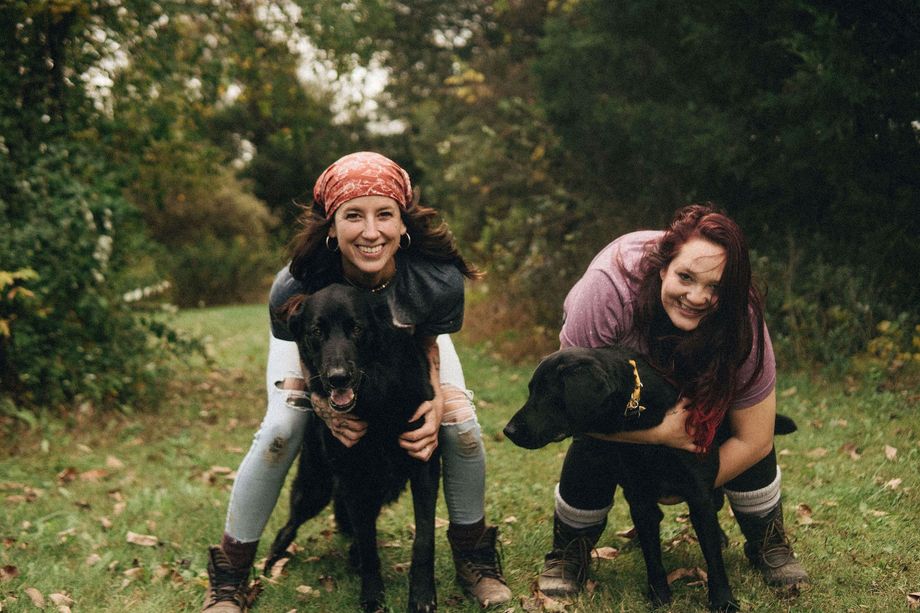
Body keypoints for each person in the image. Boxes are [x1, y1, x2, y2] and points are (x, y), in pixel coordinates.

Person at [202, 152, 512, 611]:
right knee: (281, 429)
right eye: (353, 216)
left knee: (460, 425)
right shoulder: (294, 284)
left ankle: (474, 557)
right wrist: (323, 405)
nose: (371, 232)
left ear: (403, 224)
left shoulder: (436, 280)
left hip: (409, 345)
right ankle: (230, 575)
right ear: (331, 227)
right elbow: (305, 351)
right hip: (316, 343)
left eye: (384, 214)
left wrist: (438, 403)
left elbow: (428, 346)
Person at [536, 203, 809, 596]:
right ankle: (569, 549)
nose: (697, 297)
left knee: (737, 424)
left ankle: (768, 540)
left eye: (716, 288)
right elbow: (573, 409)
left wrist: (690, 484)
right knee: (594, 440)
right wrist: (660, 436)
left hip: (703, 397)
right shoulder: (607, 289)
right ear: (663, 267)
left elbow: (756, 438)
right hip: (628, 400)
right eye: (685, 277)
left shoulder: (742, 316)